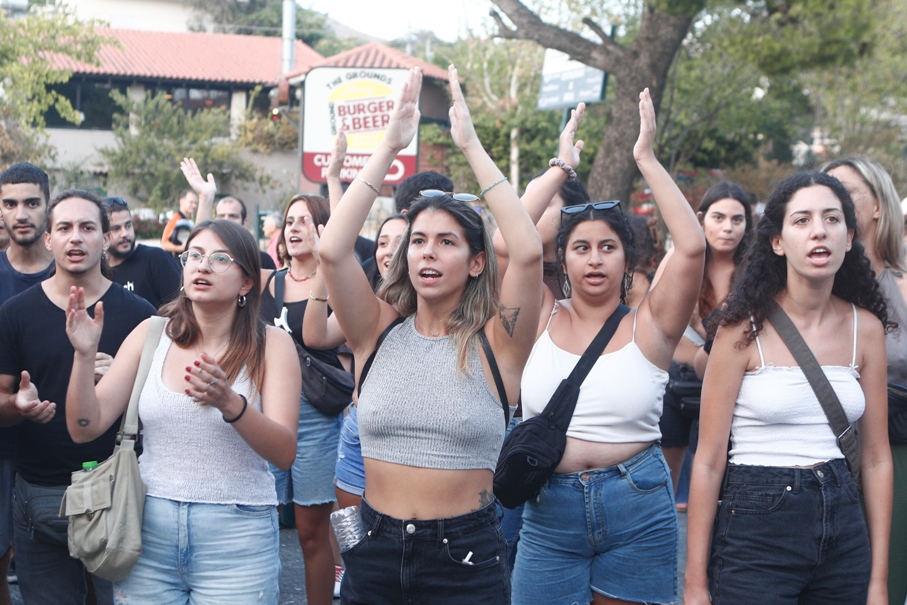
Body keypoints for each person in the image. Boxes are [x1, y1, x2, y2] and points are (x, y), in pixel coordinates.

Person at [318, 65, 543, 604]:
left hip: (464, 556)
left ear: (475, 262)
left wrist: (470, 146)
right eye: (419, 241)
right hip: (374, 545)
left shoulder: (498, 343)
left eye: (446, 242)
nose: (428, 252)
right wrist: (391, 144)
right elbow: (331, 250)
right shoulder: (375, 331)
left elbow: (529, 250)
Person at [510, 89, 705, 605]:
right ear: (564, 259)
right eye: (580, 248)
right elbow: (507, 242)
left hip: (637, 505)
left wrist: (647, 159)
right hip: (548, 508)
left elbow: (692, 245)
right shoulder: (539, 315)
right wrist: (561, 170)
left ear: (626, 260)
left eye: (607, 247)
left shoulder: (653, 324)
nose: (594, 259)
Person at [63, 218, 299, 604]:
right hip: (147, 529)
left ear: (246, 283)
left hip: (237, 534)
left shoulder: (272, 345)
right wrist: (84, 355)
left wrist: (231, 403)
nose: (203, 266)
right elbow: (84, 426)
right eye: (195, 256)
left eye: (220, 258)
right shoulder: (151, 334)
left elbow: (284, 453)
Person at [685, 171, 893, 605]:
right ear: (777, 241)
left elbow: (875, 459)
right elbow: (706, 462)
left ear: (849, 236)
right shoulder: (740, 331)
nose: (819, 230)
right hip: (754, 530)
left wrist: (878, 581)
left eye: (832, 219)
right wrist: (695, 584)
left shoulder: (866, 330)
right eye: (802, 220)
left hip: (844, 530)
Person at [0, 190, 155, 605]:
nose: (76, 238)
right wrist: (16, 405)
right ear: (48, 239)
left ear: (106, 238)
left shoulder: (140, 314)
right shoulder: (15, 313)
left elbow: (160, 405)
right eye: (64, 228)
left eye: (88, 227)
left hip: (118, 491)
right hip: (41, 493)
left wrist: (123, 379)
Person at [822, 157, 907, 605]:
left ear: (877, 206)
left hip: (895, 453)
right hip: (812, 466)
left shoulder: (904, 286)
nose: (833, 198)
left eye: (846, 190)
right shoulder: (808, 289)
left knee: (885, 586)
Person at [258, 193, 343, 605]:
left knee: (312, 533)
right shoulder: (266, 282)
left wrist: (329, 264)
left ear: (323, 228)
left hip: (316, 418)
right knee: (260, 524)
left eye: (304, 221)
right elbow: (206, 263)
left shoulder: (338, 286)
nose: (293, 228)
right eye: (289, 221)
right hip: (264, 413)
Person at [654, 181, 753, 497]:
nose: (728, 228)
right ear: (700, 219)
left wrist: (702, 327)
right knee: (663, 485)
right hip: (674, 381)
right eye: (719, 218)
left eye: (737, 220)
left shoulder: (753, 270)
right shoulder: (681, 258)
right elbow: (653, 316)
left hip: (728, 384)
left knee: (713, 485)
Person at [0, 162, 55, 605]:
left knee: (86, 562)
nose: (21, 213)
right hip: (2, 440)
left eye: (31, 203)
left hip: (66, 443)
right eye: (10, 203)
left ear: (47, 207)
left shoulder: (77, 271)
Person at [104, 196, 181, 309]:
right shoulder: (99, 273)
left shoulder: (155, 259)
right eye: (116, 229)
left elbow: (182, 307)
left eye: (128, 225)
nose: (125, 233)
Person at [214, 195, 277, 270]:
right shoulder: (206, 258)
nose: (226, 220)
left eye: (233, 216)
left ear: (244, 222)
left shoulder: (261, 260)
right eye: (221, 216)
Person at [160, 189, 199, 255]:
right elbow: (164, 243)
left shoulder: (190, 221)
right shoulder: (175, 219)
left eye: (196, 203)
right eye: (191, 202)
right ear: (181, 201)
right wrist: (180, 248)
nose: (194, 205)